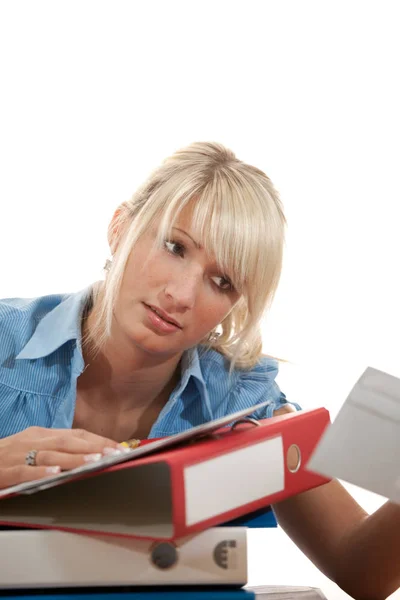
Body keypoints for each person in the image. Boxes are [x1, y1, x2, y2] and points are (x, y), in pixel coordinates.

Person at [0, 142, 398, 598]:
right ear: (119, 228)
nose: (182, 294)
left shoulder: (243, 401)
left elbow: (362, 570)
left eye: (222, 281)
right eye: (175, 246)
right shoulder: (4, 339)